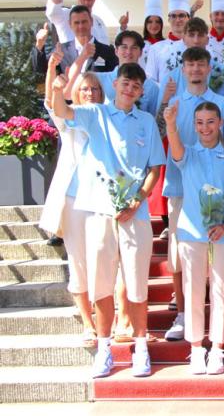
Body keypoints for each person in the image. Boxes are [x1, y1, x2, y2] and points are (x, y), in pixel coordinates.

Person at [52, 63, 165, 379]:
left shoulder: (145, 122)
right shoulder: (96, 113)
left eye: (136, 86)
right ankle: (104, 350)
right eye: (125, 83)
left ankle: (141, 348)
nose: (130, 89)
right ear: (116, 84)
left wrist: (139, 198)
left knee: (136, 284)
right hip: (99, 212)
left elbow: (155, 168)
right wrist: (63, 79)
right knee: (101, 284)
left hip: (135, 214)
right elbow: (62, 109)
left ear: (141, 91)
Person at [160, 47, 224, 343]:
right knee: (181, 259)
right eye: (190, 64)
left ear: (209, 68)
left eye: (200, 64)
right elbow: (171, 145)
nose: (195, 69)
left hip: (219, 195)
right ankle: (184, 315)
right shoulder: (174, 103)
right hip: (181, 190)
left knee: (222, 259)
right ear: (183, 69)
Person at [164, 100, 224, 374]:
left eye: (210, 122)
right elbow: (175, 149)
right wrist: (171, 124)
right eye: (200, 123)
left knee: (222, 291)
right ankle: (196, 348)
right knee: (194, 290)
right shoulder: (188, 154)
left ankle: (217, 349)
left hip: (223, 233)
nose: (205, 128)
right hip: (192, 233)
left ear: (220, 123)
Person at [39, 49, 103, 348]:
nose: (89, 92)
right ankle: (88, 324)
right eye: (84, 89)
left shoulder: (106, 118)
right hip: (74, 199)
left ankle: (107, 319)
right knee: (78, 260)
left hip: (103, 200)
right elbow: (53, 104)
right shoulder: (69, 121)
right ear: (76, 94)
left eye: (94, 88)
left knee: (104, 260)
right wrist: (52, 69)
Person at [32, 5, 118, 75]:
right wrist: (39, 45)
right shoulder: (62, 50)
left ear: (91, 22)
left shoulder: (108, 51)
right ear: (70, 24)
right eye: (76, 23)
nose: (80, 26)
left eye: (84, 22)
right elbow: (40, 68)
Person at [91, 31, 160, 117]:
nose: (128, 52)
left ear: (141, 52)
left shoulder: (151, 87)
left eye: (134, 48)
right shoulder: (99, 80)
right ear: (116, 51)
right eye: (124, 47)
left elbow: (154, 118)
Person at [146, 0, 192, 82]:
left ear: (188, 18)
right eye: (173, 16)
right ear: (168, 19)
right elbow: (151, 81)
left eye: (181, 15)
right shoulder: (156, 48)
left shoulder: (196, 46)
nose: (177, 20)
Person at [142, 0, 165, 65]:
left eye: (157, 22)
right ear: (145, 24)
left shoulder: (166, 45)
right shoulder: (140, 44)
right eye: (150, 22)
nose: (154, 25)